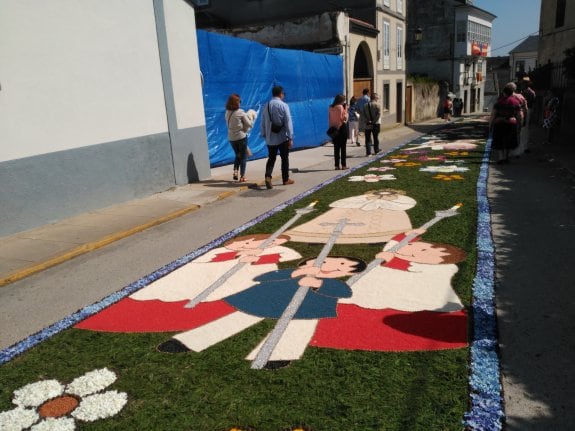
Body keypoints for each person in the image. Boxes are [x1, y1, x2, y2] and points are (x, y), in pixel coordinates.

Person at [261, 85, 294, 189]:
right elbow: (288, 122)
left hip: (270, 137)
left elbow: (262, 121)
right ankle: (285, 179)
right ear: (281, 94)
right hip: (282, 137)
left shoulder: (266, 105)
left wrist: (264, 133)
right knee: (284, 158)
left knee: (271, 158)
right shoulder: (284, 105)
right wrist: (290, 137)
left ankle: (268, 176)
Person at [225, 94, 257, 182]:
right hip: (241, 137)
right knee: (243, 157)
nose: (240, 103)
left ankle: (235, 171)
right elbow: (249, 124)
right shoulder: (240, 112)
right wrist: (250, 118)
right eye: (239, 101)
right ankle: (242, 177)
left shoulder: (227, 112)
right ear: (236, 102)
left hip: (231, 138)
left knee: (237, 155)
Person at [490, 82, 521, 164]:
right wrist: (519, 123)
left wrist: (490, 125)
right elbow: (519, 115)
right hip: (511, 122)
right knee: (509, 140)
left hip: (499, 122)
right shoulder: (515, 102)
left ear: (504, 93)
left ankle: (501, 157)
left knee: (499, 140)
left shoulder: (499, 102)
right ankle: (506, 157)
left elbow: (493, 114)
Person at [328, 94, 349, 170]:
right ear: (341, 100)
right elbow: (343, 118)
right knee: (343, 147)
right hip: (341, 128)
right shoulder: (340, 107)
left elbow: (329, 118)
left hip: (333, 129)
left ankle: (336, 165)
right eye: (344, 100)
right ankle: (343, 165)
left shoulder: (330, 107)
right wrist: (346, 109)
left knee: (336, 148)